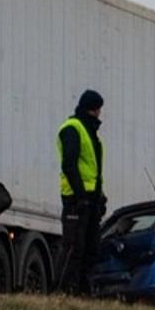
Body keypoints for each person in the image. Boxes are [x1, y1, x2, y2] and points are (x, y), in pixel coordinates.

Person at [54, 90, 107, 294]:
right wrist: (80, 195)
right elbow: (70, 165)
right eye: (98, 109)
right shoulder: (72, 129)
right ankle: (62, 291)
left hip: (91, 199)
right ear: (92, 108)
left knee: (90, 249)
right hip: (76, 199)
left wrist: (99, 195)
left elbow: (93, 169)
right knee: (72, 248)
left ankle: (83, 292)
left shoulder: (91, 132)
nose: (99, 114)